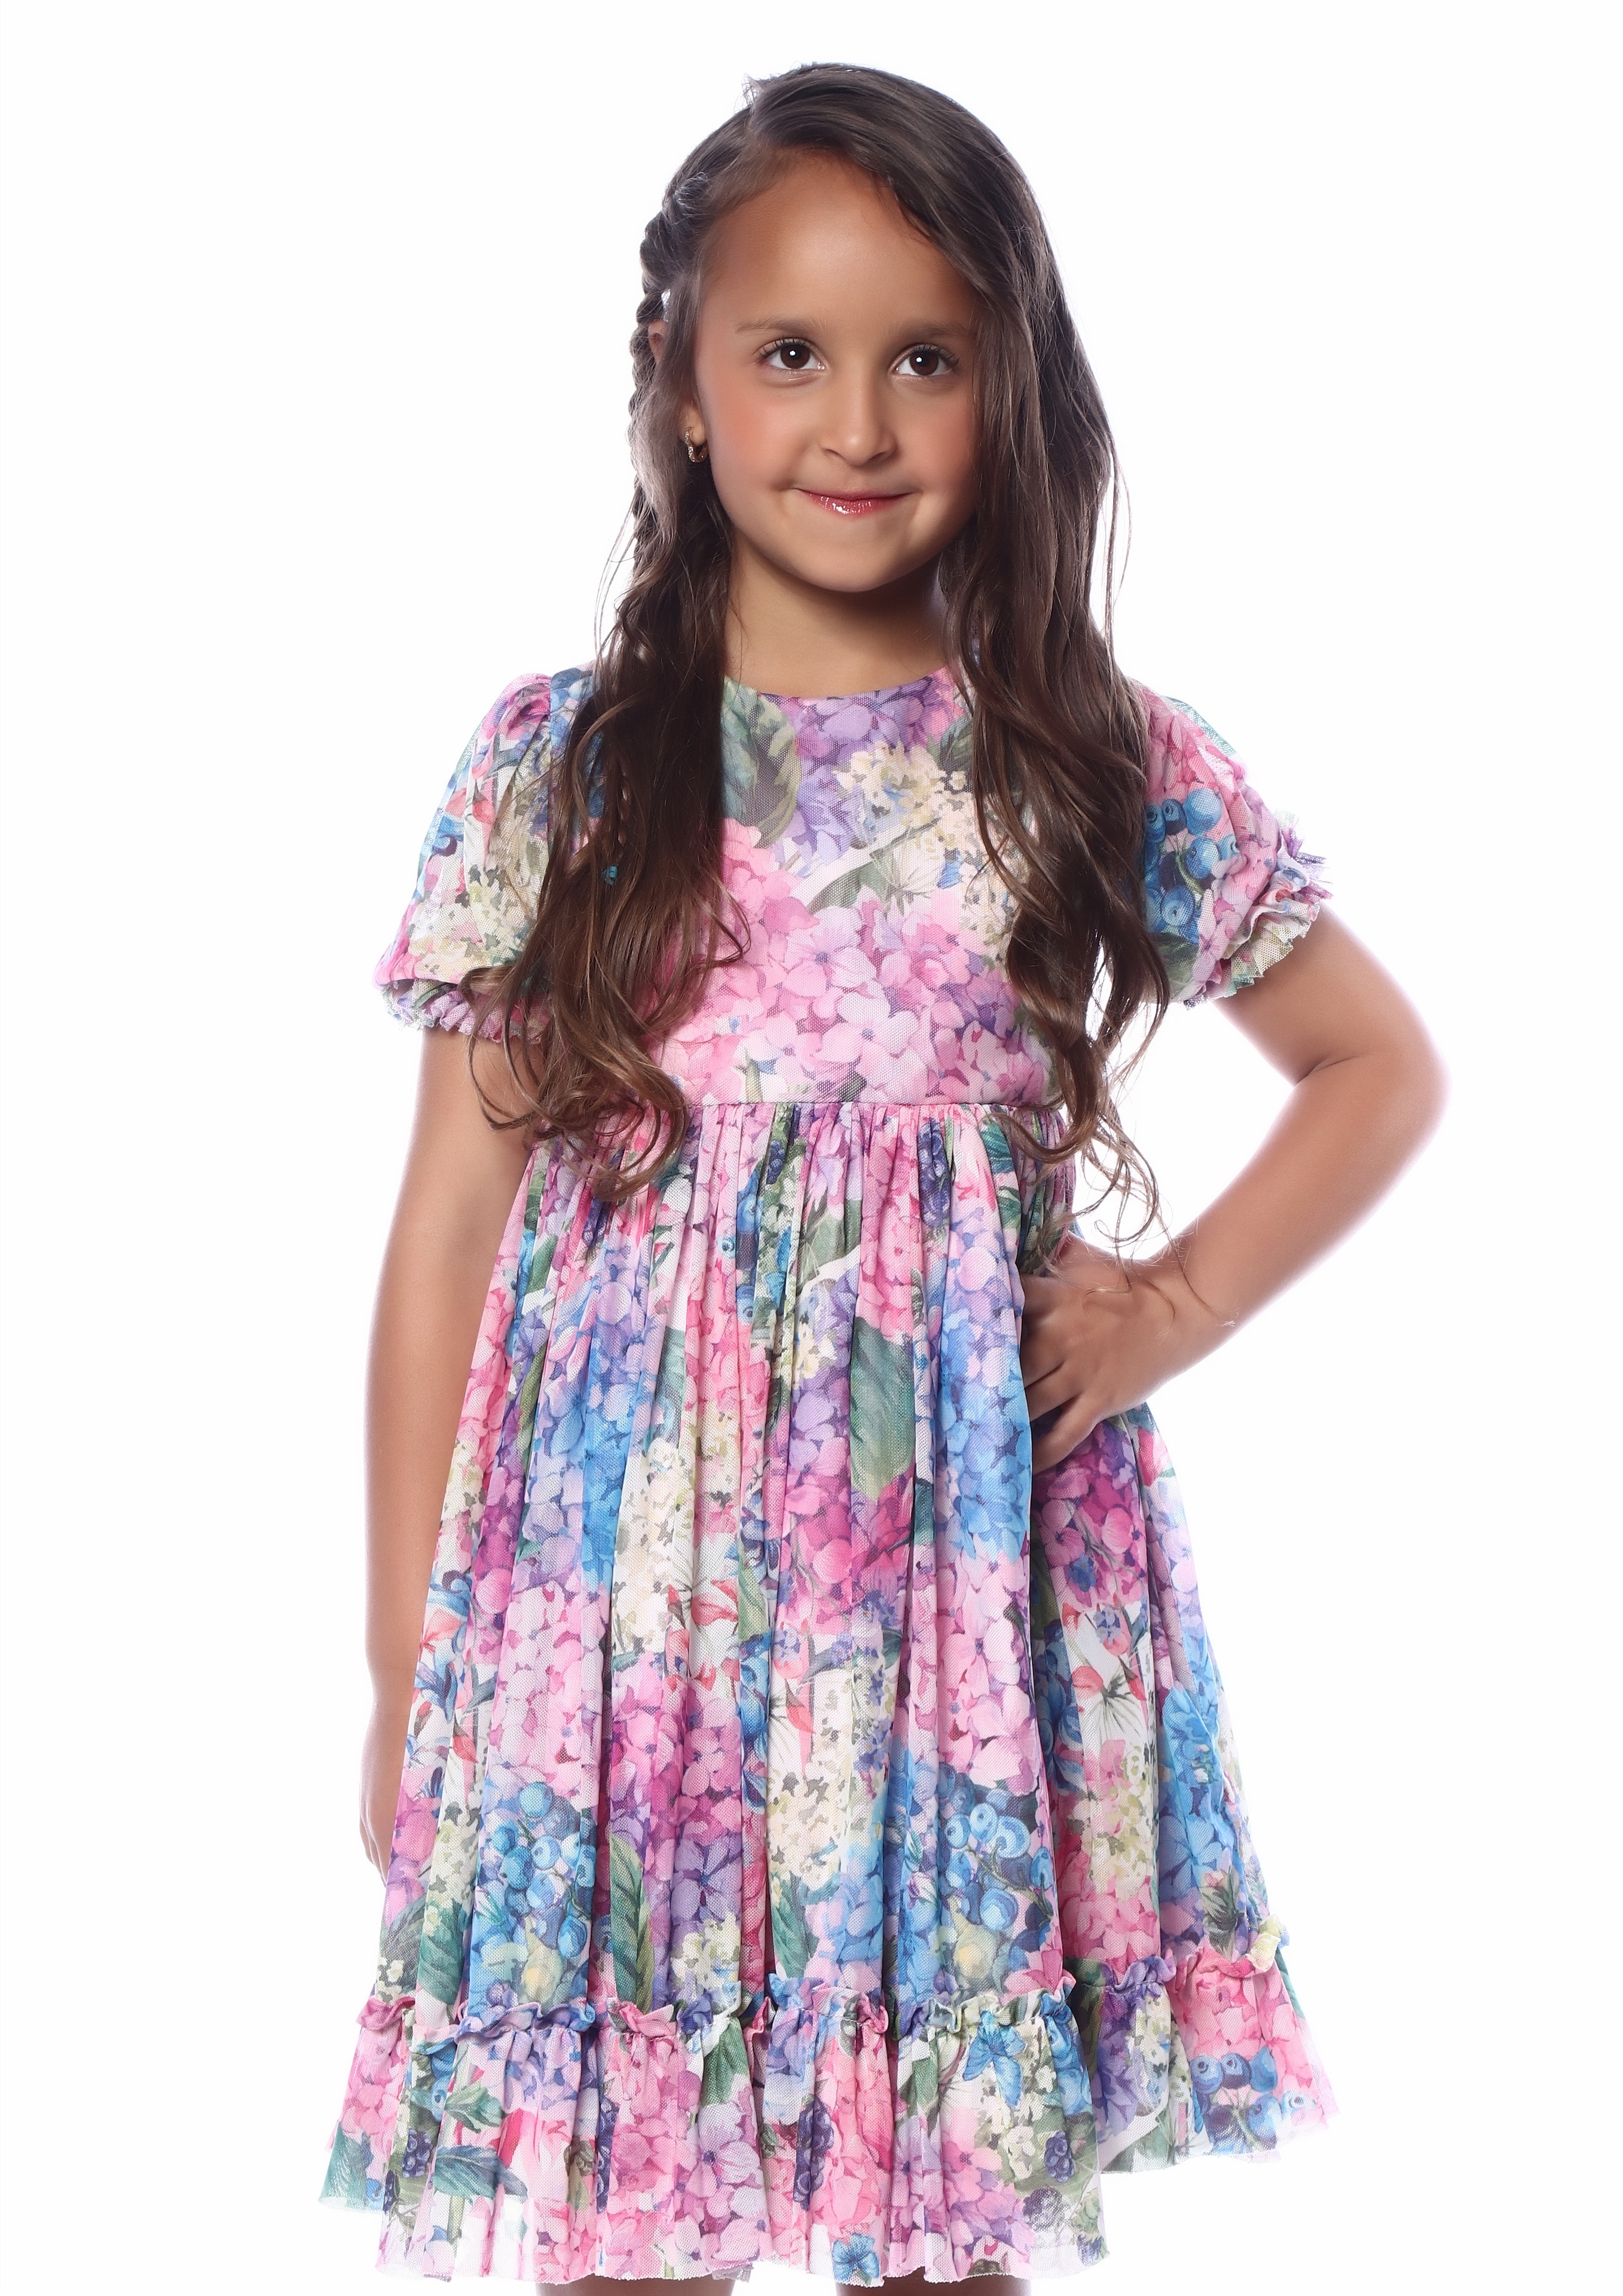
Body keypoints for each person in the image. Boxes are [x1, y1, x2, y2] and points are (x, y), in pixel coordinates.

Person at [322, 61, 1444, 2292]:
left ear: (1013, 390)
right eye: (789, 354)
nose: (856, 423)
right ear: (679, 381)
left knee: (939, 2225)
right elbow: (449, 1228)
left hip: (949, 1625)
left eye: (925, 359)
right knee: (624, 2227)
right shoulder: (565, 770)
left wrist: (1173, 1305)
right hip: (615, 1645)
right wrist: (404, 1667)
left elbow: (1372, 1067)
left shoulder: (1081, 758)